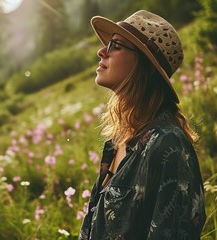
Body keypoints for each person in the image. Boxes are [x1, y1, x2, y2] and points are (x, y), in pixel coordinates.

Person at [79, 10, 206, 240]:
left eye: (115, 45)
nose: (101, 51)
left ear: (143, 64)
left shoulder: (169, 146)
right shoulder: (117, 141)